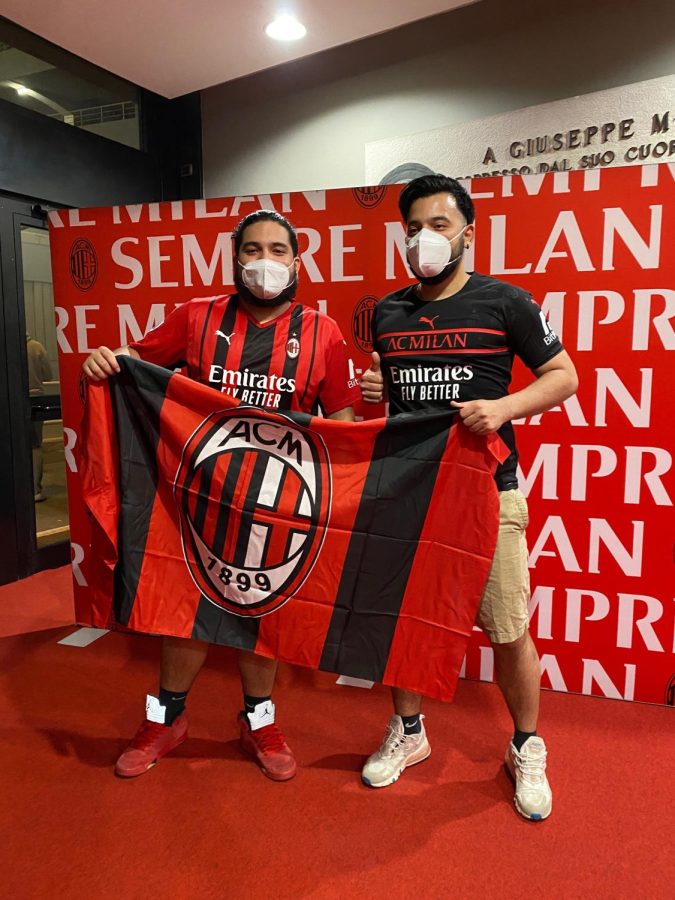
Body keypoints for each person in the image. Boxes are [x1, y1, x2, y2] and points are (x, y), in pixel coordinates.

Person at [83, 210, 359, 781]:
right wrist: (103, 361)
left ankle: (259, 720)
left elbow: (345, 421)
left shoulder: (324, 332)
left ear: (297, 261)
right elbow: (135, 364)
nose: (265, 261)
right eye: (252, 249)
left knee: (264, 610)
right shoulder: (196, 317)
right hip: (198, 495)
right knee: (187, 611)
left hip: (281, 503)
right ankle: (166, 718)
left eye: (278, 250)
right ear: (235, 259)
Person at [359, 174, 578, 821]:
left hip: (488, 493)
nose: (424, 238)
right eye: (414, 226)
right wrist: (377, 393)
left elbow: (563, 376)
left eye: (439, 224)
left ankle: (525, 745)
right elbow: (392, 398)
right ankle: (409, 731)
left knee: (508, 629)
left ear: (467, 234)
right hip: (406, 493)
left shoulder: (504, 302)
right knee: (404, 621)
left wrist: (503, 405)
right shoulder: (388, 312)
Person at [26, 333, 53, 502]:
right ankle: (35, 488)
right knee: (35, 445)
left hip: (10, 400)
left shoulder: (8, 347)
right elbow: (48, 375)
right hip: (35, 399)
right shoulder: (36, 347)